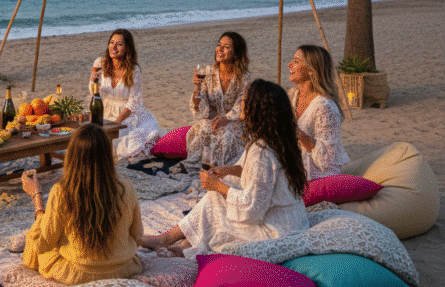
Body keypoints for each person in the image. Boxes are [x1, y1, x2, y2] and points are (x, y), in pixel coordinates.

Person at [142, 79, 309, 258]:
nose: (241, 104)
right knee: (222, 195)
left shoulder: (262, 151)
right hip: (293, 220)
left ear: (257, 108)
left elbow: (252, 207)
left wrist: (218, 186)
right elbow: (253, 173)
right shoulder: (280, 140)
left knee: (217, 198)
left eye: (245, 100)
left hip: (276, 229)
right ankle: (179, 241)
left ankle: (169, 240)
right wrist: (226, 171)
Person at [21, 124, 144, 285]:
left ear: (72, 156)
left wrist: (36, 196)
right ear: (107, 156)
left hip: (78, 273)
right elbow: (137, 236)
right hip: (122, 269)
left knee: (34, 245)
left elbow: (43, 244)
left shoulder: (61, 192)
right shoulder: (127, 188)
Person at [181, 31, 252, 173]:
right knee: (200, 128)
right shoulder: (209, 73)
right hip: (212, 120)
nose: (220, 49)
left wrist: (226, 119)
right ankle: (197, 166)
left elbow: (242, 104)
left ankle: (219, 170)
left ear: (236, 53)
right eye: (219, 45)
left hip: (234, 123)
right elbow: (202, 110)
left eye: (226, 47)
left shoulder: (244, 77)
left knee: (224, 135)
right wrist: (197, 88)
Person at [89, 29, 160, 160]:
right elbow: (94, 93)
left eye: (119, 44)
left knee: (123, 141)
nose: (113, 47)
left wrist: (116, 123)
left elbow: (134, 102)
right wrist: (94, 80)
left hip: (127, 113)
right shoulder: (100, 63)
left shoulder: (133, 70)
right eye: (111, 42)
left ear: (127, 48)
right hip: (105, 110)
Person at [288, 45, 349, 180]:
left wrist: (297, 131)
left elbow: (327, 159)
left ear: (311, 70)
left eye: (296, 62)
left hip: (317, 171)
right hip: (293, 161)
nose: (289, 65)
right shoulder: (293, 95)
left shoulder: (325, 106)